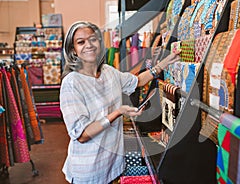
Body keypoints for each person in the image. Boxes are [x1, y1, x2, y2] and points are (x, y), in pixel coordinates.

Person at [59, 21, 180, 184]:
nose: (89, 45)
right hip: (88, 171)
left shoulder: (108, 72)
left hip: (112, 165)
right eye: (81, 42)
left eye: (93, 39)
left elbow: (137, 81)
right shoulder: (72, 83)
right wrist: (117, 113)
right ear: (73, 50)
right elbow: (81, 134)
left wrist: (164, 63)